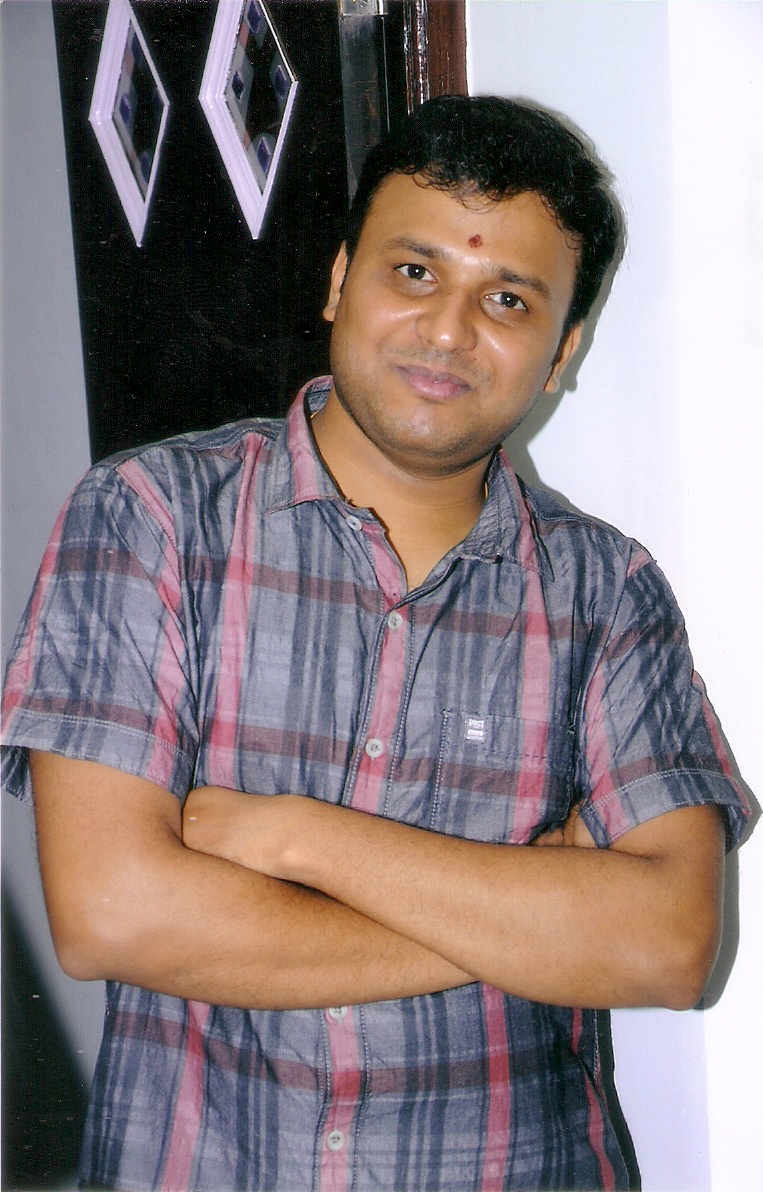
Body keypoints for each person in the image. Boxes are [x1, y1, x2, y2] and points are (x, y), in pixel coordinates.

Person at [2, 96, 750, 1192]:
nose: (448, 330)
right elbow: (114, 914)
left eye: (506, 299)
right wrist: (531, 911)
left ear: (561, 351)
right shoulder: (149, 519)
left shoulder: (608, 591)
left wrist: (298, 837)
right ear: (340, 279)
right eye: (412, 272)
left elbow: (667, 949)